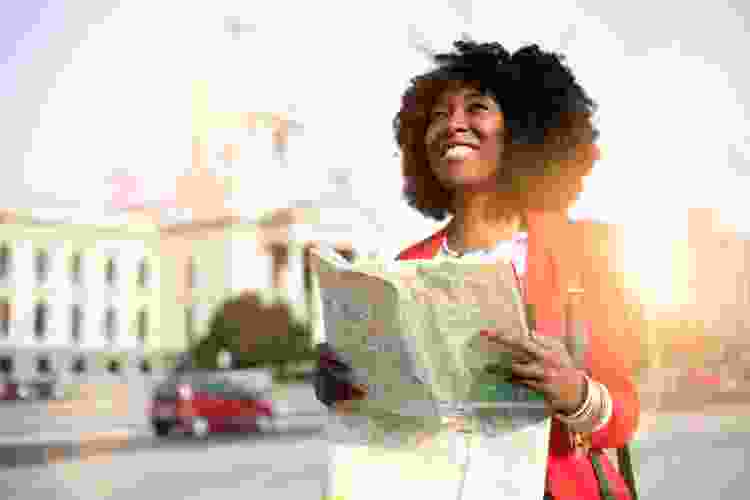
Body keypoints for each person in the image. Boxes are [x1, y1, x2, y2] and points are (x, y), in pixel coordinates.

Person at [314, 40, 639, 500]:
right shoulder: (404, 269)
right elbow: (395, 423)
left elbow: (624, 417)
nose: (454, 125)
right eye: (439, 115)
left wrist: (576, 394)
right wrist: (347, 384)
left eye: (477, 108)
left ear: (525, 131)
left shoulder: (580, 254)